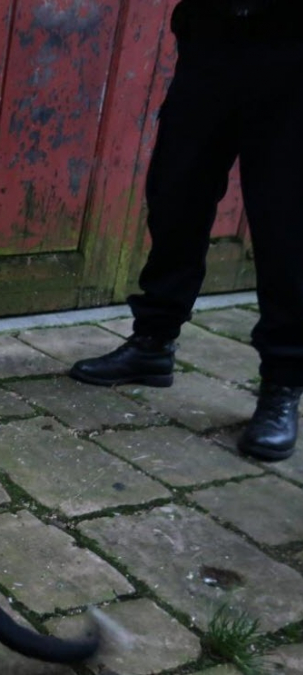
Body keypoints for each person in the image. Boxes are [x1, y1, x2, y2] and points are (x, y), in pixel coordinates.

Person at [70, 0, 303, 461]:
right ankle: (153, 342)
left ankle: (284, 383)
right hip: (211, 39)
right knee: (175, 198)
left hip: (293, 47)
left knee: (286, 226)